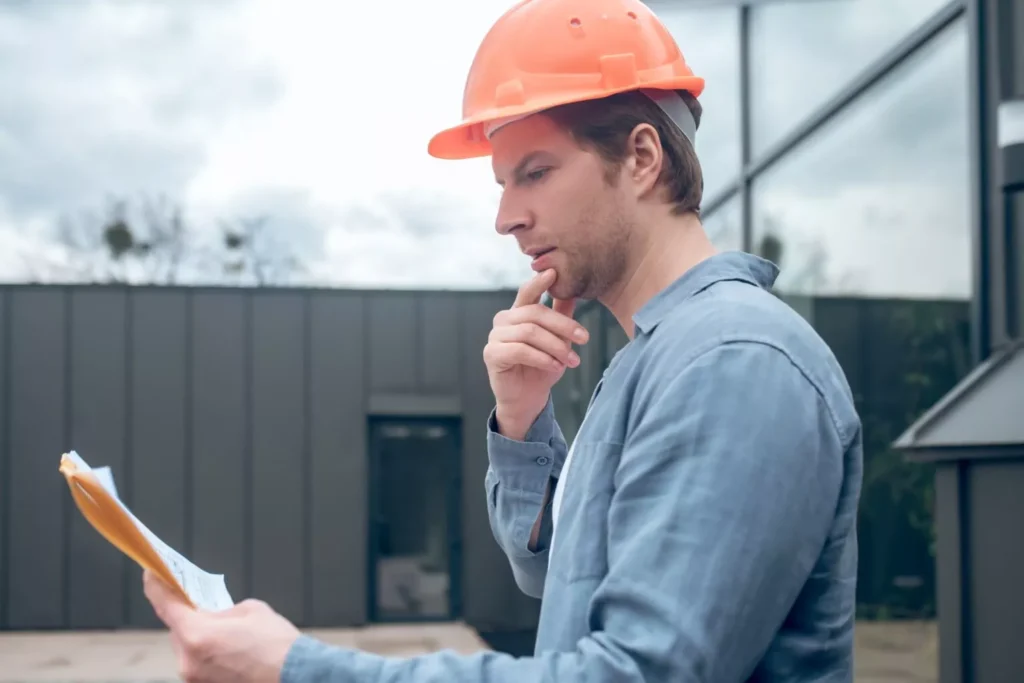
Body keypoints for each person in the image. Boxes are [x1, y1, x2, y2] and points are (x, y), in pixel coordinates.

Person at [142, 0, 864, 680]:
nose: (506, 217)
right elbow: (563, 582)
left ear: (642, 158)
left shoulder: (734, 363)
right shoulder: (653, 359)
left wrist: (295, 665)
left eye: (536, 173)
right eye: (501, 183)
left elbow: (635, 670)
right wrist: (521, 421)